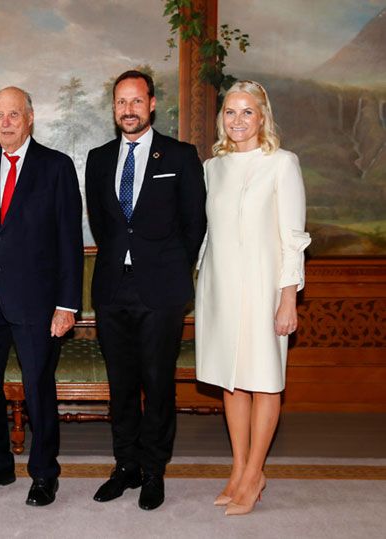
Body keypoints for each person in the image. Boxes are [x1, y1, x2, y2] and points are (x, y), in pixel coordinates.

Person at [0, 86, 83, 507]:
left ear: (29, 117)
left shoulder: (56, 167)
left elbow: (69, 241)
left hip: (37, 302)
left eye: (13, 114)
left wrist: (67, 304)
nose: (5, 122)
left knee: (38, 388)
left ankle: (44, 474)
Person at [85, 70, 206, 511]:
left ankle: (154, 470)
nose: (128, 110)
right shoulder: (98, 159)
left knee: (157, 385)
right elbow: (103, 223)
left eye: (136, 101)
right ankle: (125, 467)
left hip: (162, 290)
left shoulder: (179, 154)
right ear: (114, 108)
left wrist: (168, 266)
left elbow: (194, 224)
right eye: (121, 102)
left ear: (152, 104)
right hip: (113, 288)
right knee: (120, 385)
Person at [195, 80, 310, 516]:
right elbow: (207, 234)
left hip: (265, 288)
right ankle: (239, 468)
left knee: (264, 379)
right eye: (230, 111)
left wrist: (288, 298)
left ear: (262, 117)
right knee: (231, 379)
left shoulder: (282, 163)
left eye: (247, 112)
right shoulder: (212, 168)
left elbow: (293, 238)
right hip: (219, 288)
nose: (238, 120)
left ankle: (255, 473)